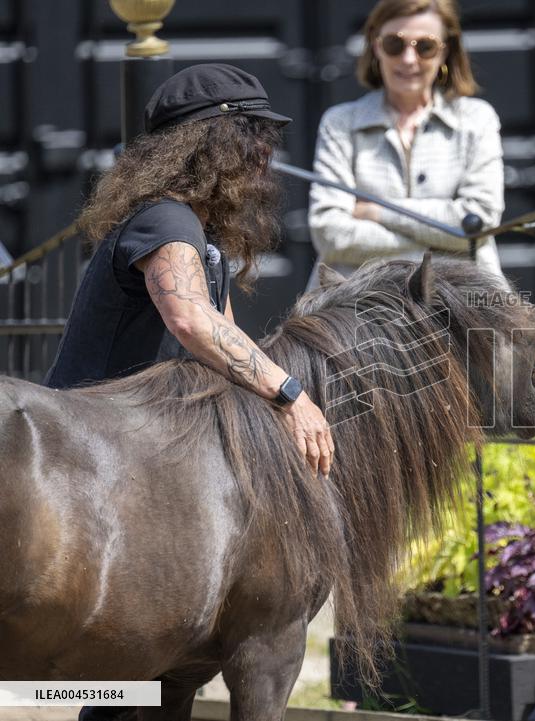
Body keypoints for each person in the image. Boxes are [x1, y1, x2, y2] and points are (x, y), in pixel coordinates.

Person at [46, 64, 333, 483]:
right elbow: (191, 320)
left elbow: (222, 338)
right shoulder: (164, 221)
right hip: (90, 447)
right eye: (253, 136)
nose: (266, 153)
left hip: (130, 437)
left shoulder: (200, 230)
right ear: (213, 144)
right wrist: (291, 395)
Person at [307, 0, 504, 283]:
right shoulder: (340, 123)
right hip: (356, 307)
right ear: (376, 47)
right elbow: (329, 233)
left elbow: (478, 222)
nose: (409, 59)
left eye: (425, 46)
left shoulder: (477, 119)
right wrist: (442, 239)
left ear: (444, 51)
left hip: (461, 301)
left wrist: (376, 210)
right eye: (394, 44)